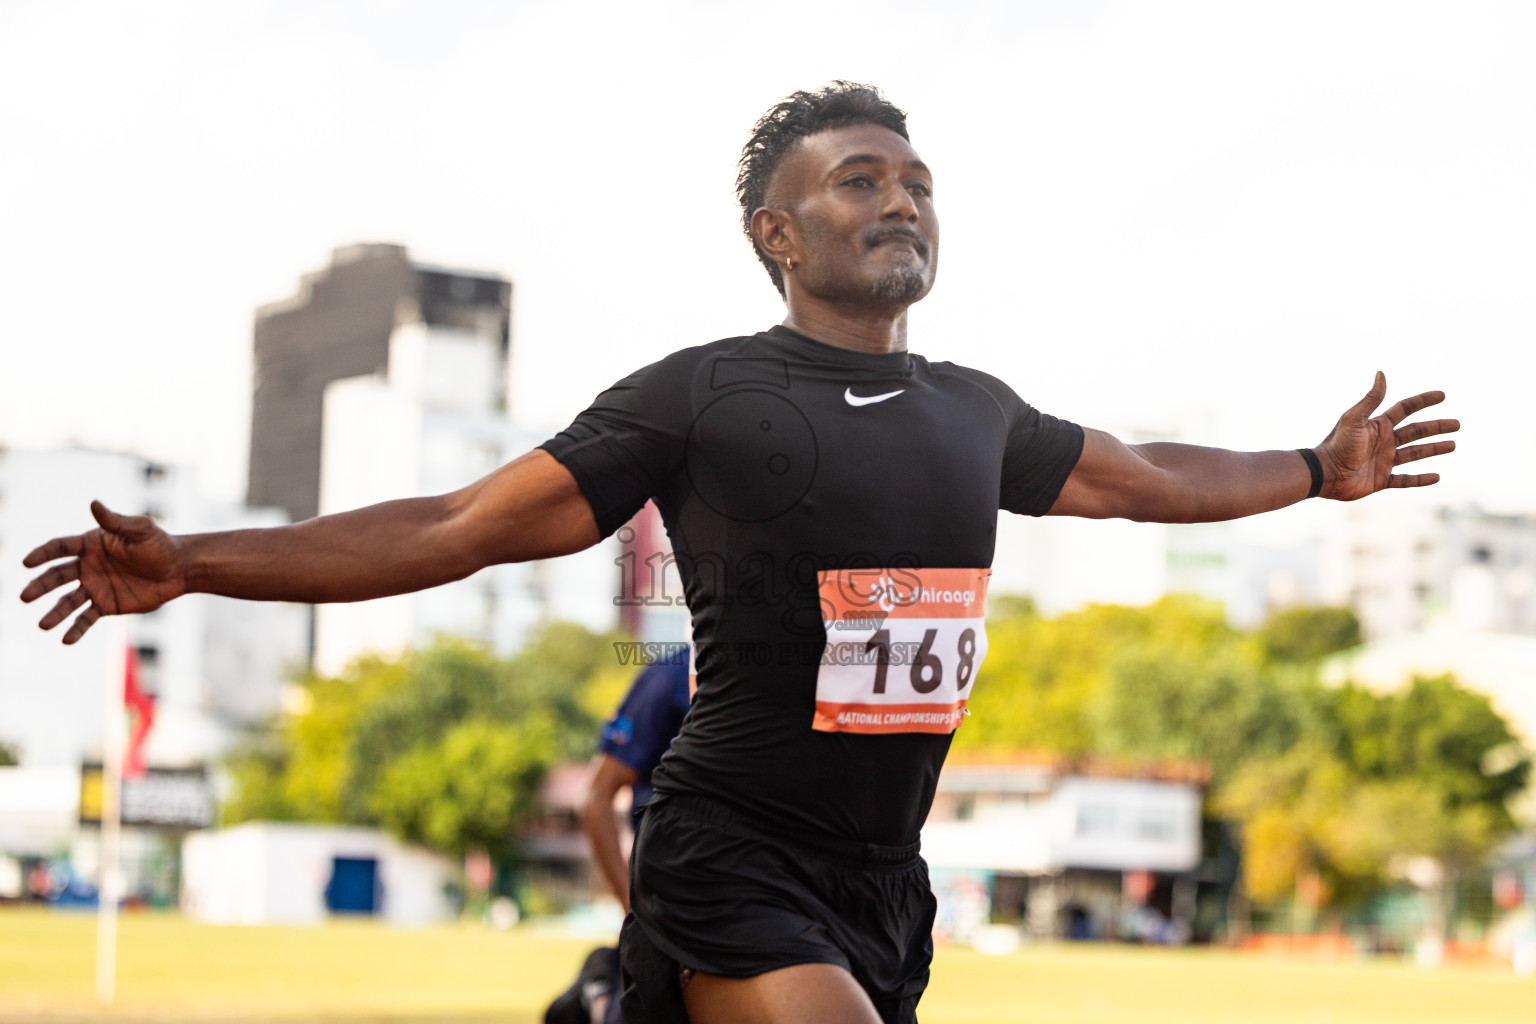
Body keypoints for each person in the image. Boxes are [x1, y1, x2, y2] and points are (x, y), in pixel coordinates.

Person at [21, 83, 1457, 1024]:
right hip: (729, 849)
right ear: (778, 232)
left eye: (917, 181)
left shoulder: (978, 412)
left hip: (887, 880)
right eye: (859, 181)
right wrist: (197, 561)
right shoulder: (700, 397)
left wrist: (1313, 471)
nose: (900, 201)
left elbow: (1143, 478)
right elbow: (456, 527)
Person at [546, 654, 691, 1024]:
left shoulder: (811, 675)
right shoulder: (670, 678)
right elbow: (596, 797)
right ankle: (598, 993)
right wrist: (632, 906)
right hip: (671, 894)